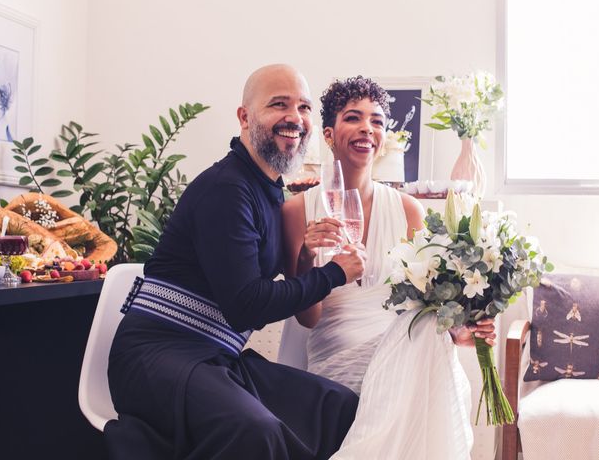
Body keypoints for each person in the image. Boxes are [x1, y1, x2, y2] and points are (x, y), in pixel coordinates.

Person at [107, 64, 367, 460]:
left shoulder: (268, 190)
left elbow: (265, 285)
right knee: (255, 430)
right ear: (245, 117)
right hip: (156, 356)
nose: (294, 118)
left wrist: (306, 253)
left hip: (215, 357)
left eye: (303, 107)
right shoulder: (227, 188)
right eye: (278, 104)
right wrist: (334, 274)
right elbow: (248, 304)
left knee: (337, 406)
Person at [281, 76, 496, 459]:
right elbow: (307, 319)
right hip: (336, 347)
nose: (367, 128)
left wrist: (460, 332)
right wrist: (306, 257)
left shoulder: (407, 209)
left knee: (429, 350)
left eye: (377, 121)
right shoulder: (297, 210)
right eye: (354, 118)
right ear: (329, 134)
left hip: (400, 342)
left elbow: (424, 304)